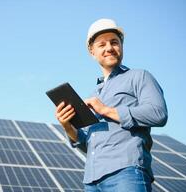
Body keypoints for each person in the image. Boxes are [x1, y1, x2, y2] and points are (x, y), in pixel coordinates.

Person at [55, 19, 168, 192]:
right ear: (92, 52)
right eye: (102, 44)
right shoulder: (94, 95)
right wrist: (67, 126)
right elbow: (88, 144)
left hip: (127, 173)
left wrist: (105, 110)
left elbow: (158, 113)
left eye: (114, 42)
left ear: (121, 46)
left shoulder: (139, 76)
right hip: (92, 181)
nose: (109, 48)